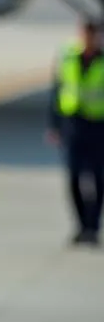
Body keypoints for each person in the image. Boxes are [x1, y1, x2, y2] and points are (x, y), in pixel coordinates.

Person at [46, 18, 104, 246]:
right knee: (73, 178)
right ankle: (81, 226)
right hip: (73, 125)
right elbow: (57, 91)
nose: (88, 38)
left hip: (99, 126)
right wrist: (53, 125)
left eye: (93, 34)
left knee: (98, 179)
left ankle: (93, 227)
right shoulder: (68, 57)